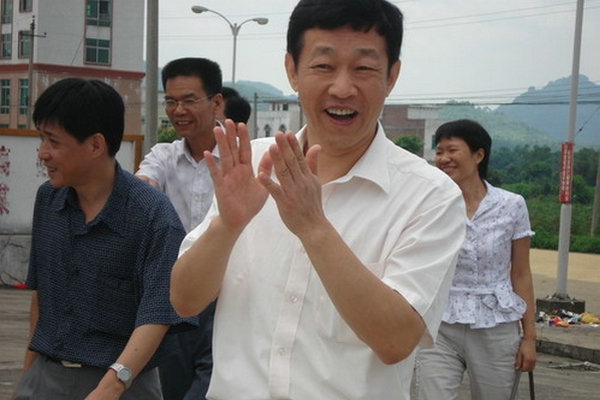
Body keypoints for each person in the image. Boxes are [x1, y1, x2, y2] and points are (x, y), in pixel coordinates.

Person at [170, 1, 467, 399]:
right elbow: (185, 301)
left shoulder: (430, 196)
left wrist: (313, 227)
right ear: (292, 70)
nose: (342, 88)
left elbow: (396, 341)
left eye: (364, 68)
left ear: (392, 75)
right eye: (324, 65)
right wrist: (227, 226)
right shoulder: (250, 165)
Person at [13, 78, 194, 400]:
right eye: (41, 139)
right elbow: (43, 298)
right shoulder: (48, 200)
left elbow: (157, 315)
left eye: (53, 141)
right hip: (45, 377)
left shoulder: (152, 216)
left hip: (123, 385)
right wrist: (27, 380)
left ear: (96, 145)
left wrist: (111, 387)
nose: (43, 154)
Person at [415, 119, 537, 400]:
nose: (443, 158)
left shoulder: (511, 205)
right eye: (439, 151)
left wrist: (529, 338)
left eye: (452, 150)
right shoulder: (428, 205)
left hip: (495, 326)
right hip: (439, 325)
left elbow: (521, 274)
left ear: (478, 155)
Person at [135, 57, 223, 400]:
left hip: (228, 297)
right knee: (173, 387)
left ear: (216, 102)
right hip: (175, 299)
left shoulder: (244, 158)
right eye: (171, 101)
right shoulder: (163, 156)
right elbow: (143, 187)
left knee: (214, 385)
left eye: (189, 100)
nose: (178, 110)